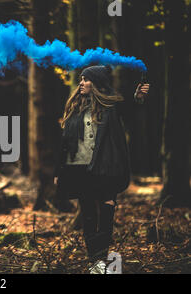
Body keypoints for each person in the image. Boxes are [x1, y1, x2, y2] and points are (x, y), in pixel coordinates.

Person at [53, 65, 150, 274]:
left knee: (106, 213)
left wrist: (138, 96)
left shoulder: (111, 109)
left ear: (96, 84)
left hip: (105, 169)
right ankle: (95, 263)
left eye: (85, 80)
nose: (81, 83)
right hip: (78, 168)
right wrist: (57, 172)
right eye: (80, 79)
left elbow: (132, 110)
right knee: (88, 216)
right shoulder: (75, 108)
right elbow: (64, 143)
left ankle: (101, 258)